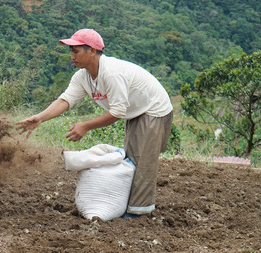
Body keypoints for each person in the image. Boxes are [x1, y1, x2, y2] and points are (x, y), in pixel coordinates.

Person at [16, 28, 173, 219]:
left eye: (76, 51)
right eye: (71, 51)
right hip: (135, 111)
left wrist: (86, 125)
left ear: (92, 51)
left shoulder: (112, 73)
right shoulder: (82, 77)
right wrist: (40, 118)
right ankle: (127, 205)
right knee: (131, 158)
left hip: (153, 109)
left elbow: (117, 112)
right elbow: (66, 100)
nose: (72, 56)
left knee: (143, 162)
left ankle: (138, 214)